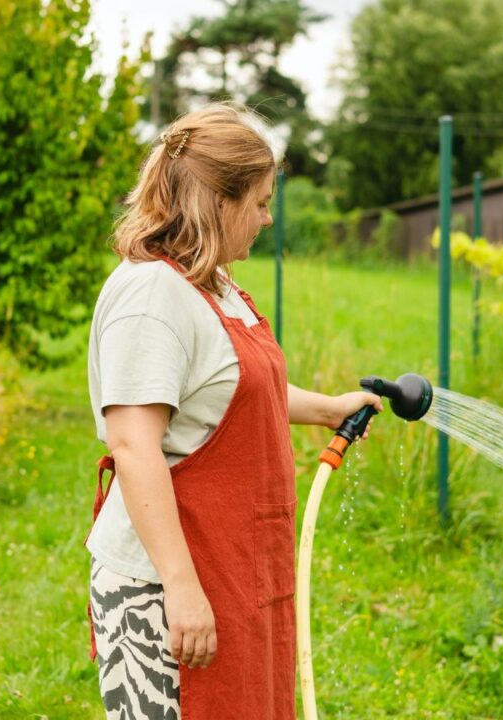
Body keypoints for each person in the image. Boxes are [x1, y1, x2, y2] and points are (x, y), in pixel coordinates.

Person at [85, 102, 381, 720]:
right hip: (164, 585)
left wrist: (330, 409)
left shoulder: (212, 283)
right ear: (219, 200)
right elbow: (135, 446)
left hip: (236, 570)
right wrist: (181, 588)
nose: (268, 219)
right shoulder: (152, 293)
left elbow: (236, 390)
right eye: (261, 201)